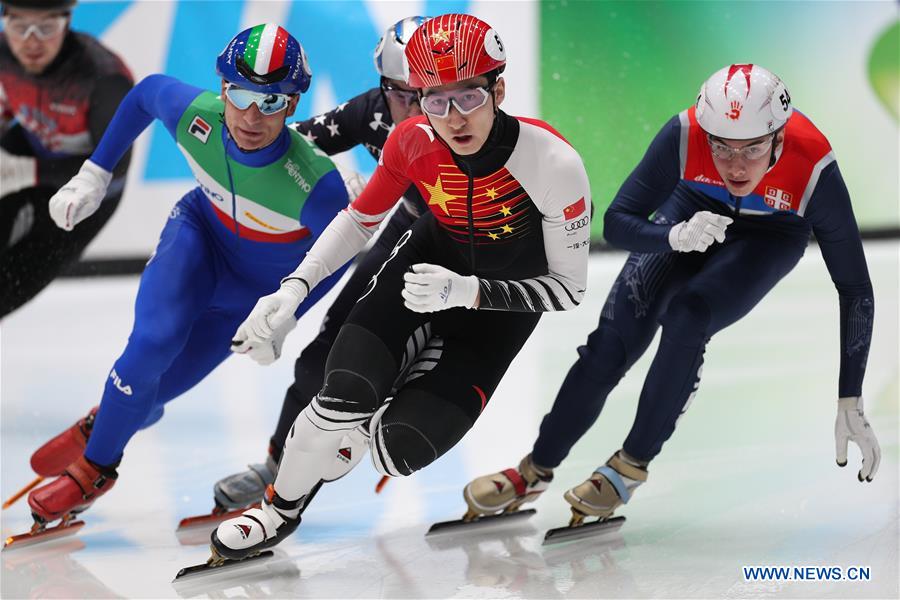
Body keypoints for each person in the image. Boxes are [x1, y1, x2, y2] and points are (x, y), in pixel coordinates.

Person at [210, 13, 592, 561]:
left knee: (398, 450)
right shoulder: (413, 139)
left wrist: (470, 292)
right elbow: (359, 221)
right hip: (422, 270)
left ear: (499, 89)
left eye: (468, 98)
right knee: (339, 389)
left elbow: (568, 290)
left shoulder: (553, 163)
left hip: (495, 310)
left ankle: (360, 430)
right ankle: (277, 510)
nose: (453, 118)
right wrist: (291, 291)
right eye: (434, 101)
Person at [462, 64, 880, 527]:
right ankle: (534, 468)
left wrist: (850, 396)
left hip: (771, 236)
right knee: (609, 347)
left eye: (754, 149)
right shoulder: (683, 134)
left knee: (688, 316)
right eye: (721, 147)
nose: (736, 166)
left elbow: (856, 287)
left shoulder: (814, 166)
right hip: (690, 212)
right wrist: (675, 236)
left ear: (779, 138)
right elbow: (618, 222)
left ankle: (629, 466)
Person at [19, 23, 353, 534]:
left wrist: (287, 314)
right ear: (223, 89)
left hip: (252, 295)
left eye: (272, 102)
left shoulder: (315, 184)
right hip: (198, 242)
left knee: (152, 392)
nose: (250, 116)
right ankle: (94, 470)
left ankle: (110, 414)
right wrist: (95, 172)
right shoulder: (195, 115)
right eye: (240, 95)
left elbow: (342, 251)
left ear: (292, 105)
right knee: (151, 345)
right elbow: (145, 93)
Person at [211, 16, 431, 513]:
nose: (417, 111)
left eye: (430, 94)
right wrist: (333, 174)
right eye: (402, 96)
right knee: (325, 354)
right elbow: (282, 147)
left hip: (469, 254)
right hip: (407, 232)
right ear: (382, 88)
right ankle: (277, 465)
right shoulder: (371, 113)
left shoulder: (467, 126)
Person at [0, 0, 132, 316]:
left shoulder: (104, 78)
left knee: (9, 288)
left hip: (88, 189)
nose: (32, 41)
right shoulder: (4, 55)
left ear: (67, 22)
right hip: (29, 152)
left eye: (45, 28)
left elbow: (117, 165)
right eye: (20, 27)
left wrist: (24, 172)